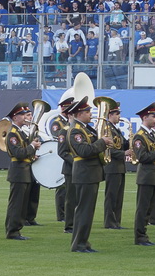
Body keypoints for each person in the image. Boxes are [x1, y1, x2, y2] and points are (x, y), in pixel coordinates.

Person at [67, 96, 111, 252]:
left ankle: (82, 242)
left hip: (91, 173)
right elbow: (84, 151)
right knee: (84, 210)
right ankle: (79, 244)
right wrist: (102, 142)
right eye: (88, 111)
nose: (91, 114)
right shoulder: (75, 131)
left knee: (87, 211)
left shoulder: (85, 129)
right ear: (80, 113)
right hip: (85, 173)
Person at [131, 103, 155, 246]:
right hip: (146, 176)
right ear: (145, 117)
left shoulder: (152, 134)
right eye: (153, 116)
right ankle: (139, 236)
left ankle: (144, 235)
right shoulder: (140, 136)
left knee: (149, 208)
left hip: (154, 174)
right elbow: (143, 157)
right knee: (143, 208)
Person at [5, 102, 42, 240]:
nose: (26, 117)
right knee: (16, 204)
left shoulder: (20, 132)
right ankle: (12, 231)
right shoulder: (13, 133)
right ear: (15, 117)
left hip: (24, 171)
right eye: (22, 115)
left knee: (22, 204)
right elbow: (19, 153)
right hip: (18, 172)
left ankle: (17, 230)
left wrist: (32, 153)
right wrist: (32, 146)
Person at [49, 94, 75, 230]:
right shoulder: (58, 123)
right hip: (61, 157)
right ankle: (61, 214)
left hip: (66, 158)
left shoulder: (69, 123)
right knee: (62, 187)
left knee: (68, 189)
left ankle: (67, 215)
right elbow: (57, 137)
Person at [102, 103, 129, 229]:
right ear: (110, 115)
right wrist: (124, 153)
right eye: (117, 114)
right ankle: (110, 221)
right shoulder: (107, 128)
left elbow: (123, 144)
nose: (119, 116)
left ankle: (116, 221)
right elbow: (108, 150)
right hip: (112, 167)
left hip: (119, 167)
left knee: (118, 196)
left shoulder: (115, 129)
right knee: (111, 196)